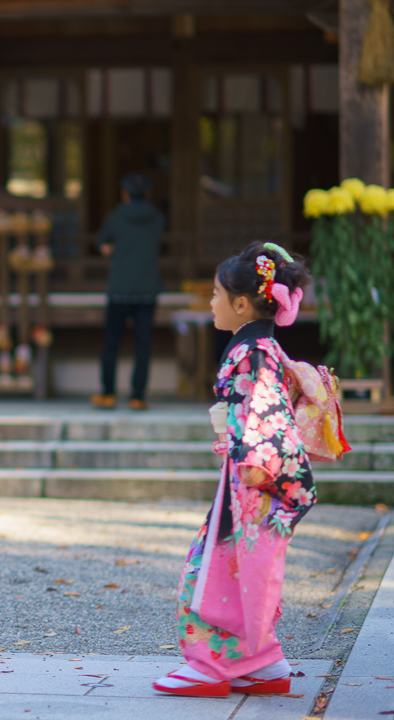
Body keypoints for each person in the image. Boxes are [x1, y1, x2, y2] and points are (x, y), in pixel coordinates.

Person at [153, 241, 315, 697]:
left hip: (253, 475)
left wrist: (252, 456)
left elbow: (265, 412)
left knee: (218, 569)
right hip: (250, 470)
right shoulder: (258, 346)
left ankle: (210, 665)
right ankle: (263, 663)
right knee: (246, 567)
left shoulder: (251, 352)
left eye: (215, 294)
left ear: (241, 304)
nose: (210, 303)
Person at [91, 172, 165, 410]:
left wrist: (112, 249)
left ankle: (108, 393)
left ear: (124, 194)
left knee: (111, 342)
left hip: (120, 287)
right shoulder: (157, 218)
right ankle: (138, 396)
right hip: (147, 287)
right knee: (143, 344)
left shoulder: (115, 217)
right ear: (148, 194)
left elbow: (103, 244)